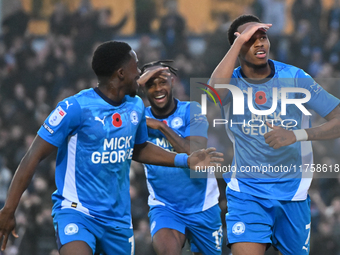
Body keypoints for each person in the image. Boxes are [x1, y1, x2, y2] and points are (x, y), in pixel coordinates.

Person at [0, 41, 223, 255]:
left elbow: (138, 148)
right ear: (121, 73)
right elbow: (33, 156)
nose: (139, 74)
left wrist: (185, 160)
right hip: (77, 211)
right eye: (136, 66)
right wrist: (9, 209)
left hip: (118, 220)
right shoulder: (75, 108)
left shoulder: (135, 106)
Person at [208, 15, 340, 255]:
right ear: (237, 46)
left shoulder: (296, 77)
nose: (260, 43)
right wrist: (238, 42)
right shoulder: (231, 82)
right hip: (247, 193)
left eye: (263, 37)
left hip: (293, 194)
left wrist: (297, 135)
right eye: (251, 39)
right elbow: (212, 93)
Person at [138, 60, 223, 255]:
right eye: (151, 84)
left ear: (172, 82)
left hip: (203, 206)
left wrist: (161, 126)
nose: (158, 89)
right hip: (165, 206)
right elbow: (113, 108)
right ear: (143, 89)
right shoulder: (138, 117)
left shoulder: (191, 110)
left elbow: (195, 153)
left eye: (162, 82)